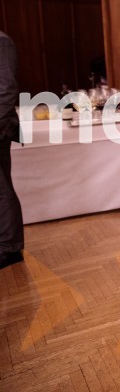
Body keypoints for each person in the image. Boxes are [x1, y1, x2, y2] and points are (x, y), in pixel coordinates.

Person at [0, 31, 23, 270]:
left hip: (0, 127)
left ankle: (10, 248)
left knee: (1, 188)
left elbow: (6, 90)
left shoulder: (2, 41)